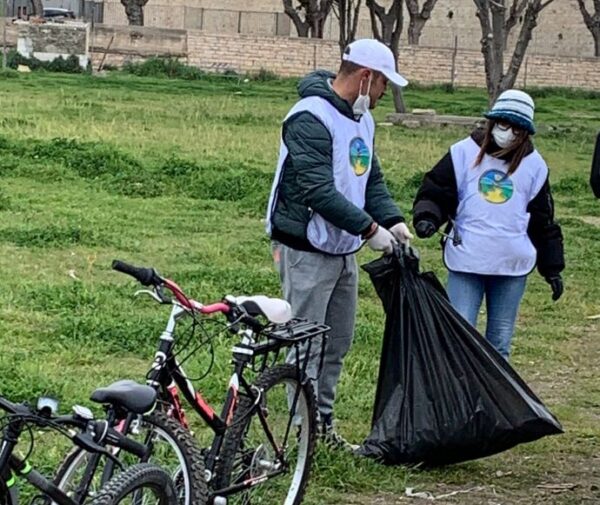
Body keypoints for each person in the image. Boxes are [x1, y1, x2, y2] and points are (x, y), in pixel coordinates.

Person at [265, 39, 413, 450]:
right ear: (366, 77)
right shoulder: (309, 118)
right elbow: (318, 191)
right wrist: (370, 231)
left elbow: (371, 180)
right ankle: (300, 437)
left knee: (336, 342)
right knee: (307, 345)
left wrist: (393, 220)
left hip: (342, 248)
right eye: (384, 84)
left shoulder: (362, 120)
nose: (385, 94)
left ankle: (322, 425)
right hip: (307, 250)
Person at [412, 89, 564, 360]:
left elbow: (542, 220)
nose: (508, 133)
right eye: (503, 124)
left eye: (516, 129)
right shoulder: (462, 153)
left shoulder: (535, 166)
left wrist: (552, 267)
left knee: (500, 342)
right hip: (467, 259)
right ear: (493, 122)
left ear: (525, 133)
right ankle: (458, 400)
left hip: (510, 265)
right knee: (459, 336)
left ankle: (493, 402)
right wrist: (428, 217)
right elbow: (436, 191)